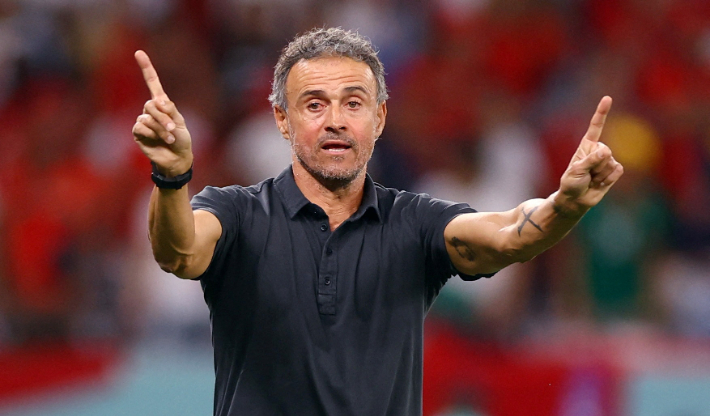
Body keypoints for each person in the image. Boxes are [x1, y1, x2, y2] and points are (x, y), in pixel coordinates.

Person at [131, 27, 623, 416]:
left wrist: (564, 206)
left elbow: (506, 236)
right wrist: (172, 178)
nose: (336, 120)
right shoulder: (237, 212)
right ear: (282, 120)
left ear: (380, 117)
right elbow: (180, 252)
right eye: (315, 104)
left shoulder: (415, 223)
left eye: (353, 103)